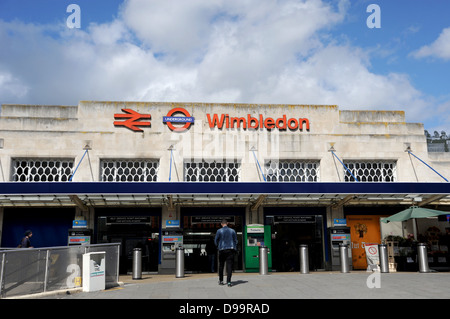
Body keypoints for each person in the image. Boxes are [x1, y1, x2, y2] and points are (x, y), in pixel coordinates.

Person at [214, 219, 238, 287]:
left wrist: (218, 246)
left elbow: (215, 241)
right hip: (230, 250)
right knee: (229, 266)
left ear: (221, 224)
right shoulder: (232, 231)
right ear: (227, 223)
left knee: (221, 266)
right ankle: (229, 282)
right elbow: (236, 241)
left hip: (222, 250)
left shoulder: (219, 231)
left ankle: (221, 281)